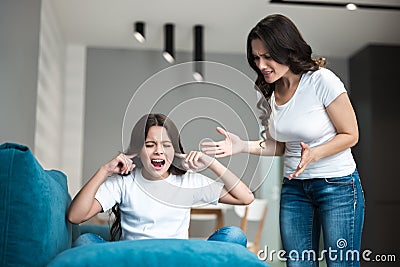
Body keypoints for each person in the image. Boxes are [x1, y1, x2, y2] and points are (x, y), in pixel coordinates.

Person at [202, 14, 365, 266]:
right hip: (295, 188)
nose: (261, 64)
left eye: (268, 56)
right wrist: (242, 145)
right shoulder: (271, 91)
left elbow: (351, 134)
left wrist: (315, 153)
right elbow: (279, 145)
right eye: (256, 58)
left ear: (287, 50)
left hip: (337, 185)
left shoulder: (321, 80)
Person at [68, 113, 254, 247]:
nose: (159, 150)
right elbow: (75, 216)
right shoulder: (123, 182)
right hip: (134, 259)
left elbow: (245, 197)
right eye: (150, 145)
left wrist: (211, 162)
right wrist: (104, 171)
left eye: (166, 145)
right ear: (138, 151)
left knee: (233, 235)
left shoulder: (188, 182)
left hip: (177, 259)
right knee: (85, 241)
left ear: (175, 151)